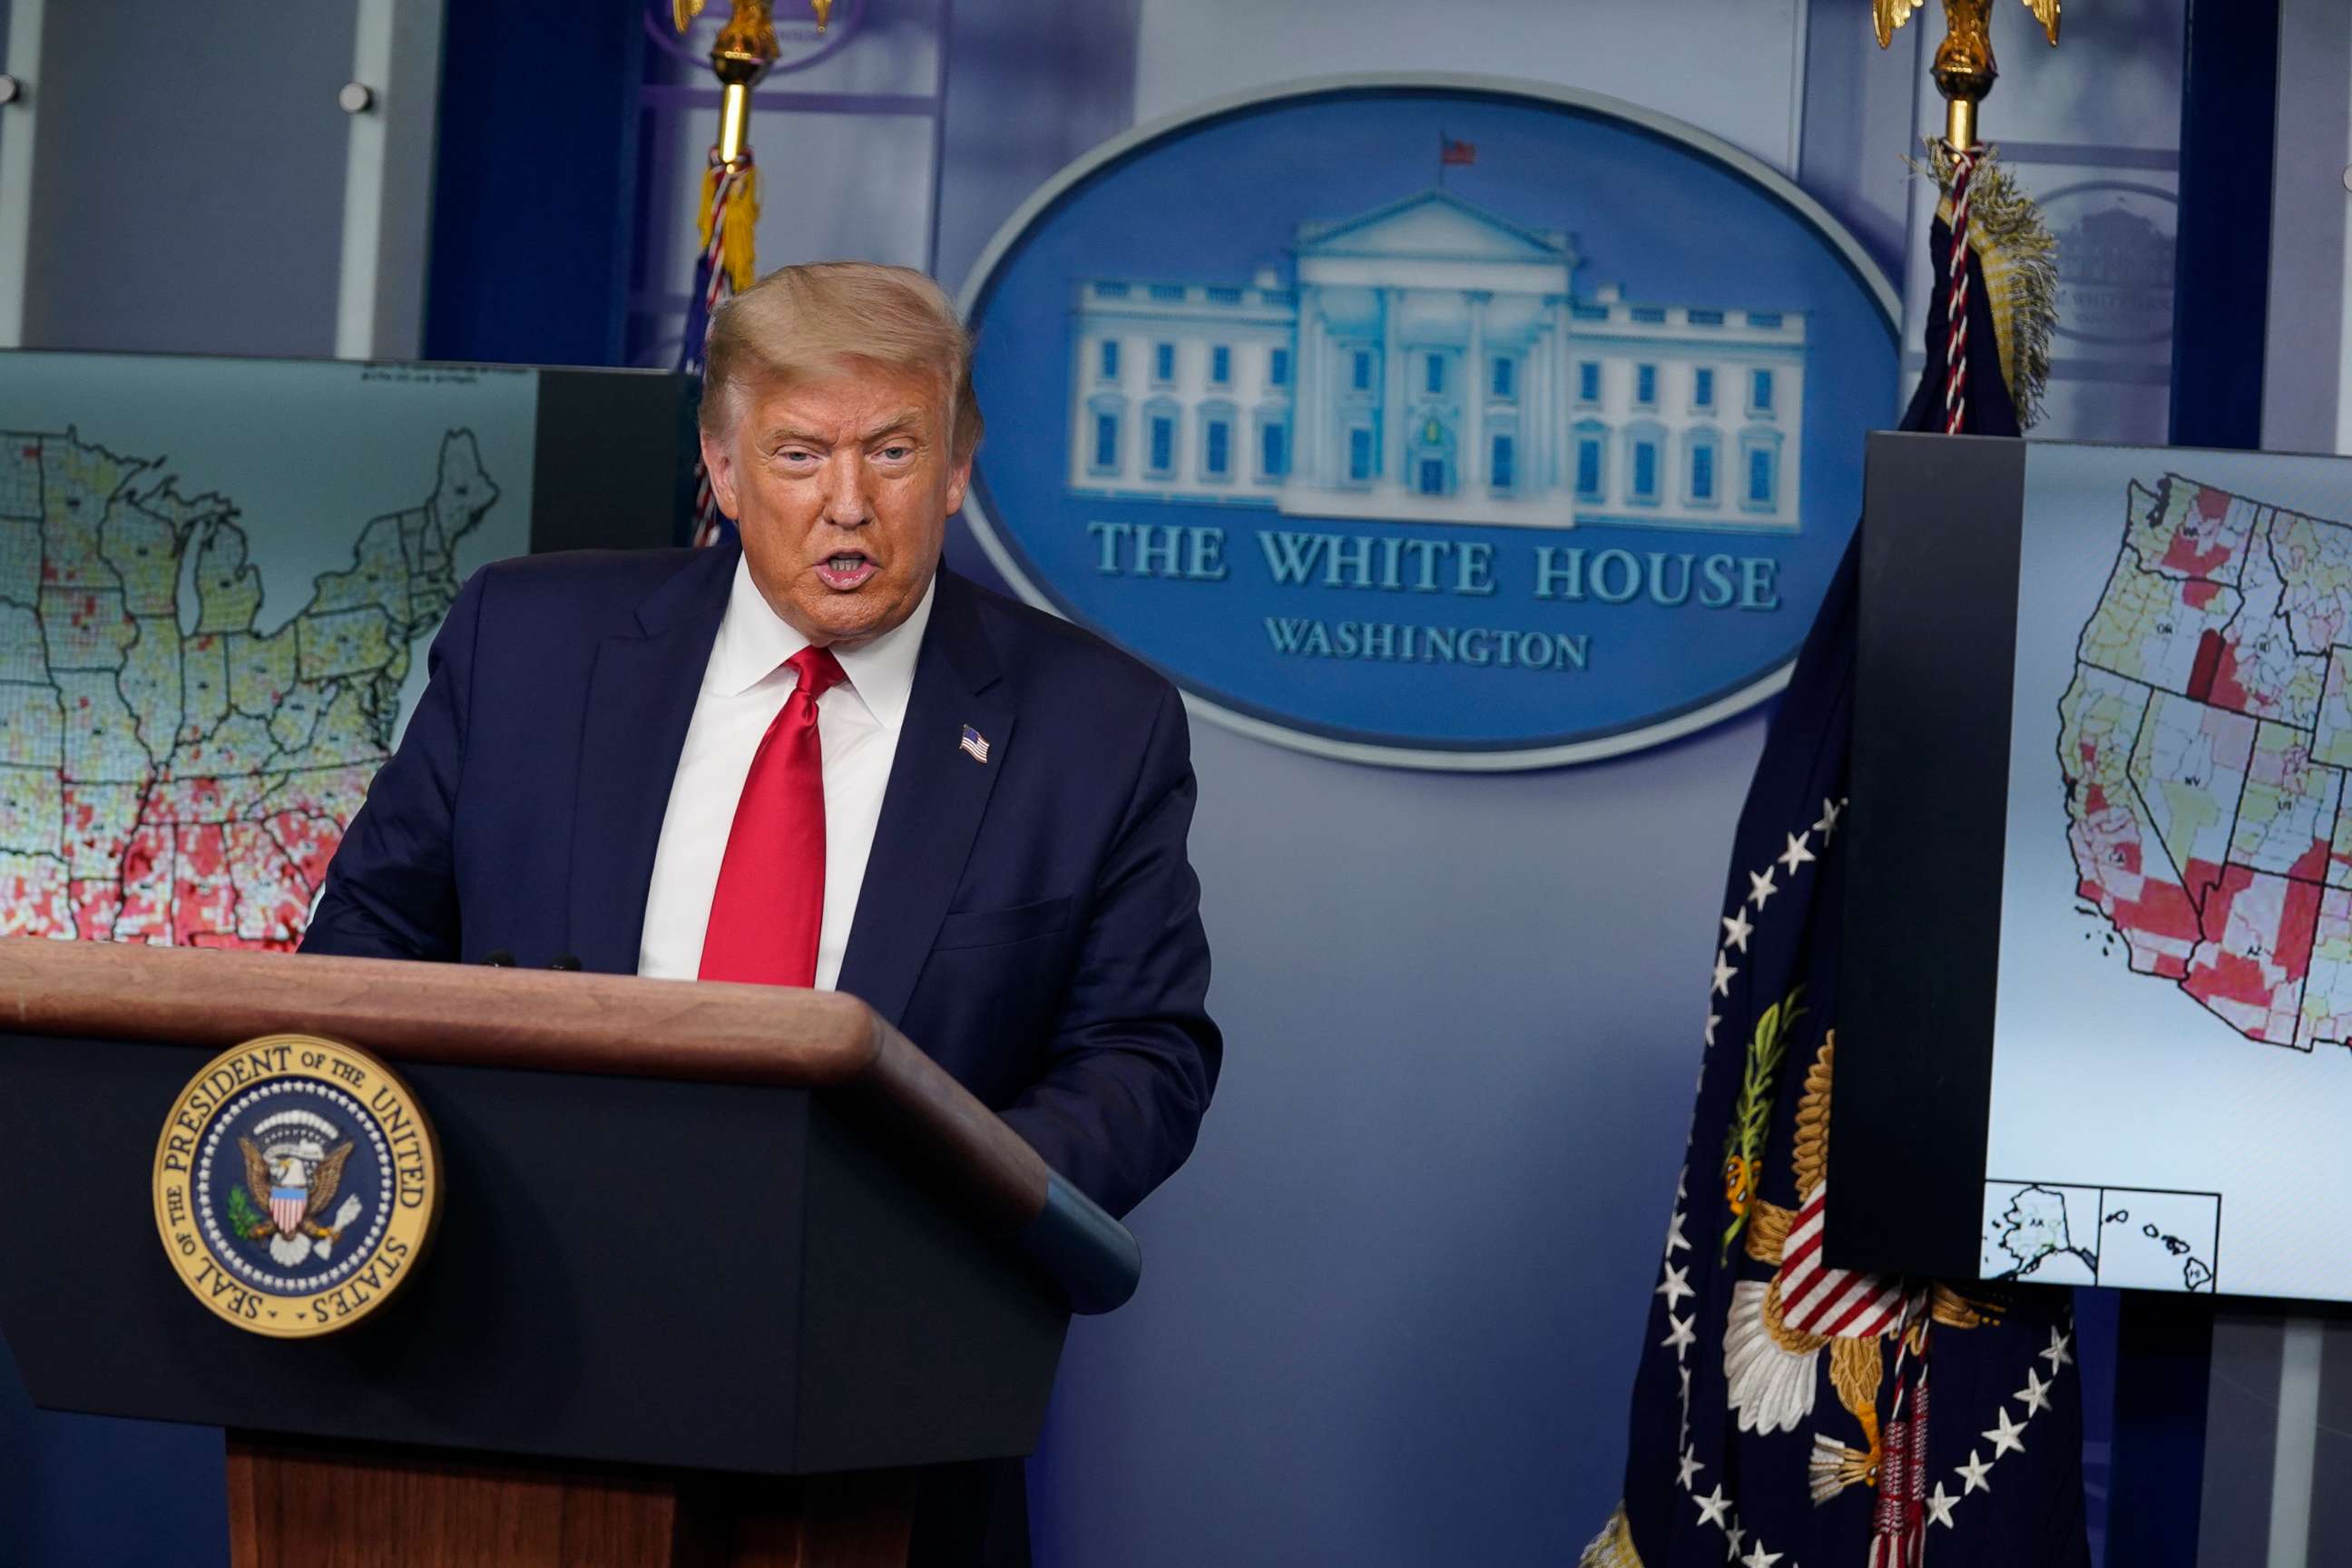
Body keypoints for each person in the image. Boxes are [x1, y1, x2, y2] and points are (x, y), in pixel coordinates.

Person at [299, 260, 1221, 1564]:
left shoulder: (1094, 727)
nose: (850, 504)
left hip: (879, 1393)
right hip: (507, 1349)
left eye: (894, 451)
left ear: (956, 470)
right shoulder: (527, 643)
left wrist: (939, 1210)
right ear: (723, 473)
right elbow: (362, 950)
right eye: (799, 454)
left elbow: (1146, 1055)